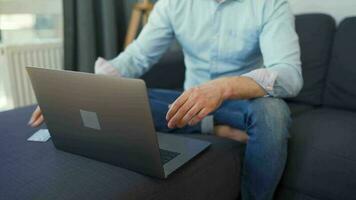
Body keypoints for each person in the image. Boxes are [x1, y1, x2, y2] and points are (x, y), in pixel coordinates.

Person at [28, 0, 303, 199]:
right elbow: (136, 57)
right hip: (188, 101)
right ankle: (210, 126)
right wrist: (75, 93)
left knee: (274, 114)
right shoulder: (173, 4)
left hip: (241, 102)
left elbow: (289, 75)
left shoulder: (271, 4)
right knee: (127, 97)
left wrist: (223, 87)